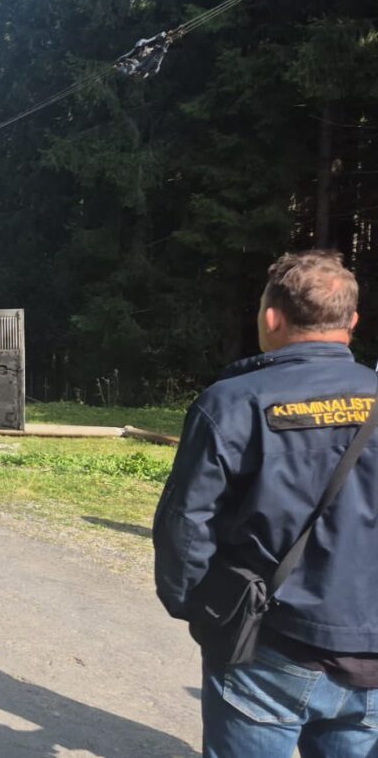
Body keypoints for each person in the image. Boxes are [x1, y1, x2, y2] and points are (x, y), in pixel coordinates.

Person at [154, 251, 378, 757]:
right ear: (352, 322)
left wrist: (196, 607)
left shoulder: (233, 401)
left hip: (269, 643)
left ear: (272, 316)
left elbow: (186, 523)